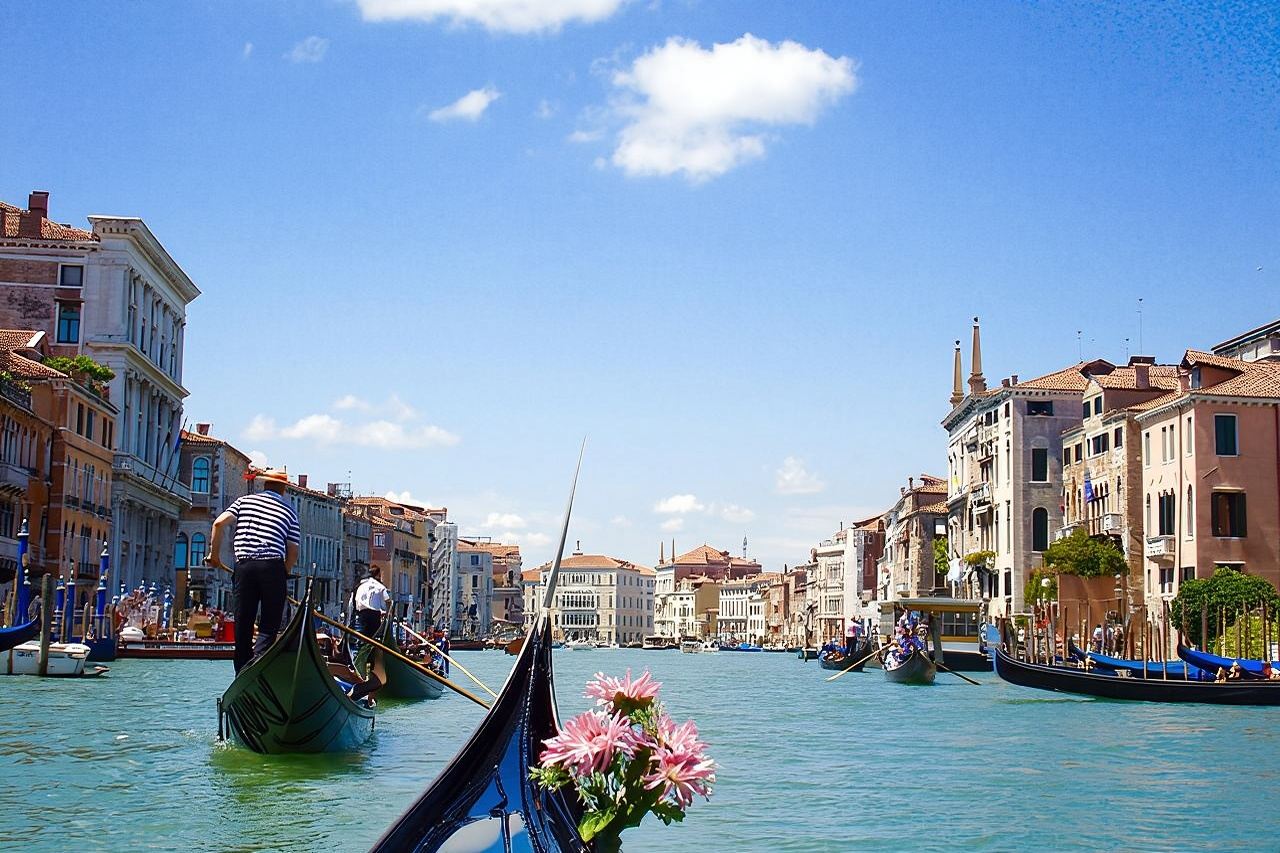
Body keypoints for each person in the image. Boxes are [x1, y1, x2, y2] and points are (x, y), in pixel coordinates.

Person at [207, 468, 300, 674]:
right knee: (269, 624)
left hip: (244, 567)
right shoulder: (289, 510)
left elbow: (218, 523)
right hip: (272, 566)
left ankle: (241, 672)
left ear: (264, 485)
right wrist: (282, 573)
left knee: (243, 621)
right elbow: (293, 552)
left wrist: (214, 556)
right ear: (284, 489)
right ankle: (258, 665)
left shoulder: (244, 502)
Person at [354, 566, 390, 639]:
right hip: (374, 614)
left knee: (363, 636)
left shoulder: (360, 586)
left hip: (362, 614)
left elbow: (356, 600)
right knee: (374, 637)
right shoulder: (380, 587)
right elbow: (388, 600)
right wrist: (387, 613)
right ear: (377, 575)